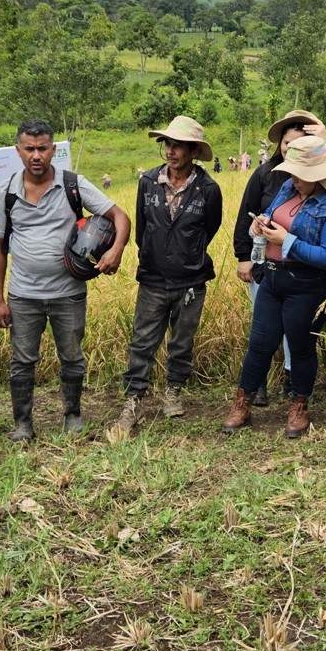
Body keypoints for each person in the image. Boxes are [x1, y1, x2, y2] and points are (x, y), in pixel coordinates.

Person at [0, 119, 128, 440]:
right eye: (29, 149)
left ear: (53, 149)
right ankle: (23, 424)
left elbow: (120, 217)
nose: (36, 155)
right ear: (18, 151)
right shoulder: (5, 194)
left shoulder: (72, 184)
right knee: (22, 360)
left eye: (42, 148)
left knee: (72, 357)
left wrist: (116, 250)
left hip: (69, 293)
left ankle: (73, 415)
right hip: (23, 295)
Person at [223, 132, 326, 438]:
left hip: (307, 284)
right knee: (259, 344)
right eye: (292, 173)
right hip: (272, 277)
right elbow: (271, 214)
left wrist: (288, 241)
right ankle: (241, 404)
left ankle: (299, 408)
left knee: (300, 346)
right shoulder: (287, 187)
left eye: (301, 175)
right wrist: (261, 223)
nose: (294, 180)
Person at [114, 116, 222, 434]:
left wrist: (187, 254)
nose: (171, 151)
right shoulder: (148, 182)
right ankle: (133, 400)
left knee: (181, 342)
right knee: (143, 342)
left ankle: (172, 394)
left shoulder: (208, 189)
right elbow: (142, 228)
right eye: (168, 144)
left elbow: (209, 228)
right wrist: (154, 254)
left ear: (192, 151)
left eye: (178, 146)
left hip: (191, 280)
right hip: (153, 278)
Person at [232, 109, 326, 406]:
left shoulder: (324, 180)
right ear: (279, 144)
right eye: (287, 143)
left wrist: (325, 140)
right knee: (263, 327)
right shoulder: (266, 175)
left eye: (299, 144)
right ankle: (256, 386)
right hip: (264, 264)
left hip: (303, 270)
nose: (291, 149)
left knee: (295, 331)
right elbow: (244, 213)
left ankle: (291, 381)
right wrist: (243, 256)